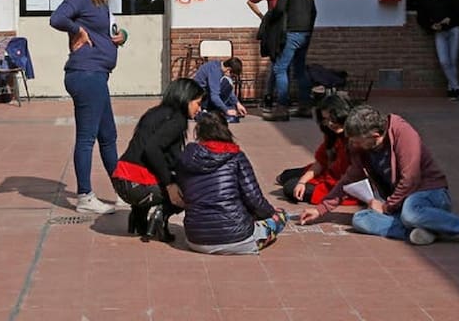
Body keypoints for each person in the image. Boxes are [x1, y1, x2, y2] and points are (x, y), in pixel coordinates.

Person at [298, 105, 459, 247]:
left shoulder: (402, 132)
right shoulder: (361, 148)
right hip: (399, 202)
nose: (353, 145)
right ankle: (419, 231)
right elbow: (349, 178)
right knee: (360, 219)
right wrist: (320, 210)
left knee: (410, 213)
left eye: (357, 141)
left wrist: (385, 206)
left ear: (375, 136)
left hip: (428, 192)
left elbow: (411, 178)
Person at [50, 0, 128, 214]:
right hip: (86, 74)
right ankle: (84, 196)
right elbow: (57, 18)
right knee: (87, 138)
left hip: (98, 75)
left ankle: (122, 193)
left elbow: (110, 29)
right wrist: (77, 30)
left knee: (109, 137)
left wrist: (121, 37)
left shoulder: (98, 0)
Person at [178, 112, 290, 255]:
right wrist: (271, 213)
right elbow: (254, 198)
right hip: (237, 239)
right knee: (281, 217)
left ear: (199, 132)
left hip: (196, 239)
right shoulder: (236, 156)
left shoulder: (187, 158)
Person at [111, 78, 204, 242]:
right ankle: (161, 216)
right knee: (190, 188)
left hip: (121, 180)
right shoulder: (177, 120)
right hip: (137, 186)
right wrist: (170, 185)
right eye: (197, 103)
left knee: (166, 173)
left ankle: (138, 217)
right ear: (185, 99)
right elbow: (152, 150)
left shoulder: (155, 113)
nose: (199, 108)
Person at [274, 93, 359, 205]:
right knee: (286, 175)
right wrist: (302, 182)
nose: (330, 123)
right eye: (325, 119)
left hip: (344, 184)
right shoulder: (332, 134)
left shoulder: (355, 138)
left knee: (290, 187)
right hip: (330, 172)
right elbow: (321, 162)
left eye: (333, 118)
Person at [262, 0, 316, 121]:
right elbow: (314, 11)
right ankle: (305, 106)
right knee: (299, 69)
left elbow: (280, 8)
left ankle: (282, 108)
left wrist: (270, 19)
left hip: (291, 32)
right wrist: (309, 30)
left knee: (280, 69)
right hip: (305, 32)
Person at [416, 0, 459, 100]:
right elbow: (421, 18)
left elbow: (457, 13)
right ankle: (457, 88)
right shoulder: (424, 1)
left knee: (453, 60)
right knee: (444, 61)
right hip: (439, 33)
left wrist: (449, 19)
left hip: (453, 30)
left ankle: (451, 90)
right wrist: (432, 26)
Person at [192, 56, 247, 122]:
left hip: (204, 94)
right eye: (232, 76)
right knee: (227, 82)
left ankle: (214, 111)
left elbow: (228, 91)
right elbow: (214, 96)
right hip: (200, 98)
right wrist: (226, 110)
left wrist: (238, 104)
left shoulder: (218, 66)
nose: (232, 78)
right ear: (228, 70)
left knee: (227, 87)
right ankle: (207, 111)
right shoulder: (215, 72)